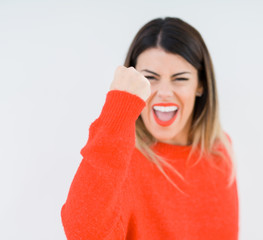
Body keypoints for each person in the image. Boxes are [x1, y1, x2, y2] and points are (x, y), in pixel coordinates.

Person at [61, 17, 239, 240]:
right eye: (150, 78)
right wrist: (118, 107)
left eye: (180, 78)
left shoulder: (219, 150)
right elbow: (83, 234)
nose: (164, 92)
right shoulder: (123, 159)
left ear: (200, 84)